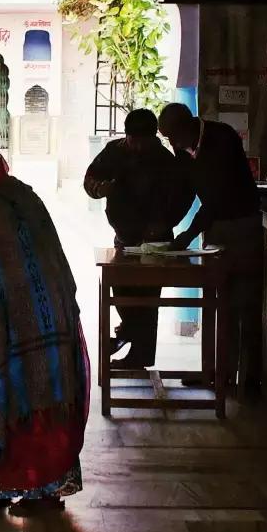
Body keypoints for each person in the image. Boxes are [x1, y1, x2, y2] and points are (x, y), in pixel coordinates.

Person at [0, 141, 90, 516]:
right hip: (52, 318)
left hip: (17, 326)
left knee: (12, 401)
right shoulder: (25, 196)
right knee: (47, 400)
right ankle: (29, 488)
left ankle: (24, 489)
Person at [158, 102, 263, 391]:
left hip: (242, 227)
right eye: (167, 138)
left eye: (173, 136)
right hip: (216, 230)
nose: (172, 143)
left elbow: (217, 196)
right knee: (219, 303)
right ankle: (217, 373)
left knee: (245, 305)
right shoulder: (183, 148)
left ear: (189, 125)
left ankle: (250, 381)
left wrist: (189, 233)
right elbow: (184, 193)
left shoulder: (222, 138)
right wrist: (164, 226)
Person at [84, 108, 194, 368]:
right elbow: (90, 179)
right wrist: (101, 189)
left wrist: (165, 224)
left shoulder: (165, 160)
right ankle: (130, 334)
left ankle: (139, 354)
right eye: (132, 139)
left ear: (153, 137)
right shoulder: (115, 151)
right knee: (120, 288)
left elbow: (183, 197)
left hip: (156, 241)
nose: (136, 146)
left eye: (142, 141)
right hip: (123, 237)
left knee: (146, 299)